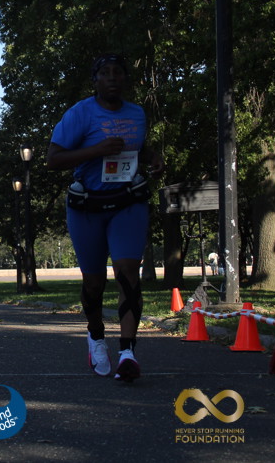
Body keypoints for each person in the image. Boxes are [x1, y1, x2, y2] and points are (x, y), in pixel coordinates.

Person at [46, 53, 164, 383]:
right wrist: (96, 151)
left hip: (127, 202)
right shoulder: (80, 113)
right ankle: (96, 336)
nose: (112, 78)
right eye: (105, 73)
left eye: (118, 72)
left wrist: (152, 157)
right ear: (95, 80)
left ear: (125, 79)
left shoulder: (136, 113)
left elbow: (136, 148)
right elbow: (53, 159)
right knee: (94, 282)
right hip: (87, 206)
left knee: (128, 272)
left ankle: (127, 352)